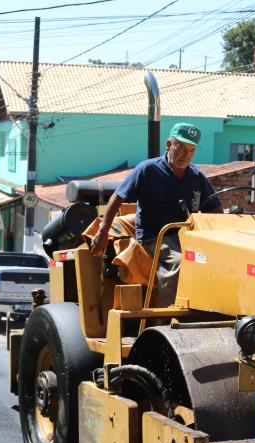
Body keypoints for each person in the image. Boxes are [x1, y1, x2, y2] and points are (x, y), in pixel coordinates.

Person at [89, 122, 222, 307]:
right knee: (181, 263)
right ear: (169, 144)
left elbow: (215, 209)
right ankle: (172, 315)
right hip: (155, 238)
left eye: (191, 150)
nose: (186, 155)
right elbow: (117, 198)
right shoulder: (148, 170)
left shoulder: (196, 176)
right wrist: (103, 233)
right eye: (181, 148)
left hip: (187, 237)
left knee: (218, 262)